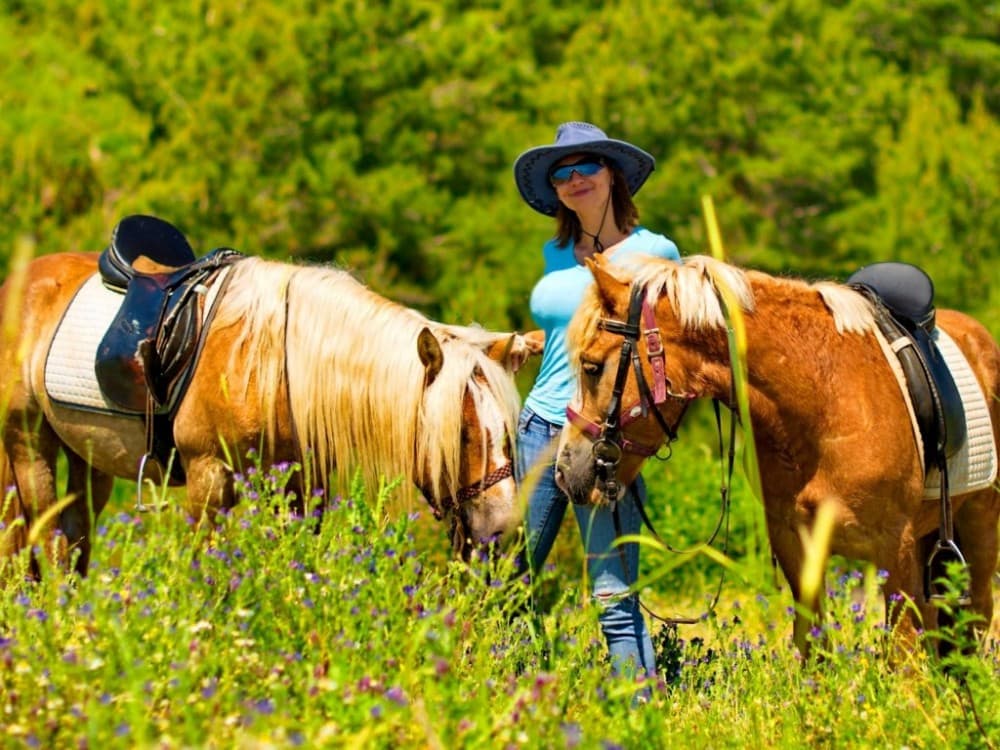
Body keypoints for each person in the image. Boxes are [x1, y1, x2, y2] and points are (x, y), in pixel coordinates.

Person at [512, 121, 680, 683]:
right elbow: (571, 333)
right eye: (562, 173)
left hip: (606, 433)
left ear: (612, 174)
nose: (574, 179)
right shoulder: (553, 250)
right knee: (515, 577)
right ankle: (517, 702)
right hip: (539, 424)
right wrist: (525, 343)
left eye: (586, 167)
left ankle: (638, 717)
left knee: (612, 591)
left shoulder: (655, 252)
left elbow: (670, 348)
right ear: (554, 190)